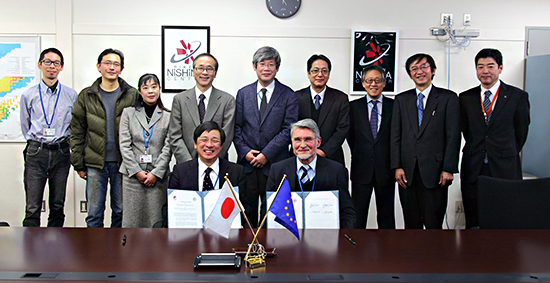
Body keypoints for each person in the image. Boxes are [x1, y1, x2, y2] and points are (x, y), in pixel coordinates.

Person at [459, 48, 530, 229]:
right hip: (474, 165)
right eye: (480, 67)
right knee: (474, 221)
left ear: (500, 68)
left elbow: (521, 131)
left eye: (490, 66)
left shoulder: (517, 96)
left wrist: (504, 150)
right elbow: (466, 130)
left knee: (506, 219)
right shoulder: (465, 98)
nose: (485, 71)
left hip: (504, 166)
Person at [390, 53, 460, 229]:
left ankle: (433, 257)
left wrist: (448, 168)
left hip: (436, 173)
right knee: (411, 224)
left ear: (433, 70)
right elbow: (395, 135)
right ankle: (413, 256)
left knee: (433, 223)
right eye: (414, 68)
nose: (419, 71)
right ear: (409, 74)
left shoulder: (448, 98)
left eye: (423, 67)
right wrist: (396, 166)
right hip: (407, 173)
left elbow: (453, 136)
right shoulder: (401, 100)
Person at [70, 48, 139, 228]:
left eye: (116, 64)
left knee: (121, 211)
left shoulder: (131, 95)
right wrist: (78, 163)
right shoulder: (86, 96)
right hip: (94, 163)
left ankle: (118, 253)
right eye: (107, 63)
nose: (111, 67)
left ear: (121, 69)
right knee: (94, 213)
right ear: (99, 66)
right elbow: (77, 131)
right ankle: (94, 253)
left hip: (122, 163)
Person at [234, 46, 298, 228]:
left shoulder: (288, 95)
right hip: (248, 165)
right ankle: (248, 252)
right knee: (247, 214)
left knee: (271, 216)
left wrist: (266, 155)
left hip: (276, 165)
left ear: (277, 68)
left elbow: (288, 130)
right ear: (254, 67)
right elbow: (236, 128)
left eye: (271, 64)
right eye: (262, 64)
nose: (266, 68)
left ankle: (269, 252)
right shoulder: (243, 94)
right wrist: (245, 152)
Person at [20, 47, 77, 227]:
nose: (52, 66)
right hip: (37, 151)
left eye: (56, 63)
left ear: (61, 67)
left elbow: (74, 125)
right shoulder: (28, 95)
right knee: (33, 206)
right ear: (40, 65)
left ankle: (55, 250)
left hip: (61, 151)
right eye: (48, 62)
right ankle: (30, 251)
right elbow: (25, 124)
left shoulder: (71, 95)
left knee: (57, 205)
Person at [266, 119, 356, 229]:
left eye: (308, 139)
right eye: (297, 140)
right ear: (292, 142)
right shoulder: (277, 170)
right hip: (288, 237)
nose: (302, 145)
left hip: (324, 238)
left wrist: (341, 238)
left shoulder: (336, 171)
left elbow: (347, 212)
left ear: (318, 142)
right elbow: (267, 210)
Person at [119, 74, 172, 228]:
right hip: (132, 178)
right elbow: (124, 145)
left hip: (158, 178)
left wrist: (156, 173)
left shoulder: (168, 116)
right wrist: (137, 171)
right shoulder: (128, 113)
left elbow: (168, 147)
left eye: (154, 87)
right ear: (139, 91)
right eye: (146, 87)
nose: (150, 91)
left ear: (159, 89)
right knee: (132, 222)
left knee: (156, 222)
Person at [348, 65, 395, 229]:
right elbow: (351, 137)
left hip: (386, 169)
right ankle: (355, 252)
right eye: (369, 80)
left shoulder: (394, 106)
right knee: (357, 216)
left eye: (377, 80)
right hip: (361, 168)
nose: (373, 84)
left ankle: (388, 251)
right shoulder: (353, 107)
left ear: (384, 83)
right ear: (362, 83)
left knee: (387, 216)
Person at [169, 53, 235, 164]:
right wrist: (188, 162)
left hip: (217, 165)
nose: (204, 72)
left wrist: (211, 160)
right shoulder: (179, 100)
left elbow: (226, 136)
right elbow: (174, 135)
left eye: (209, 69)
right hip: (186, 165)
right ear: (193, 71)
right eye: (200, 68)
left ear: (215, 73)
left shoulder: (227, 100)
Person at [295, 54, 349, 165]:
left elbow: (342, 129)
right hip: (301, 158)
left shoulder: (341, 98)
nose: (320, 74)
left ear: (329, 74)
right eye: (315, 70)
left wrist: (323, 151)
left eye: (324, 71)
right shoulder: (296, 97)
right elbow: (291, 127)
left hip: (332, 158)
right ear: (308, 73)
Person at [169, 121, 246, 192]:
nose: (209, 145)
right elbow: (169, 205)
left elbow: (246, 205)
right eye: (204, 140)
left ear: (221, 145)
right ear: (195, 144)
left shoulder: (236, 172)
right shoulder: (180, 171)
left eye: (215, 141)